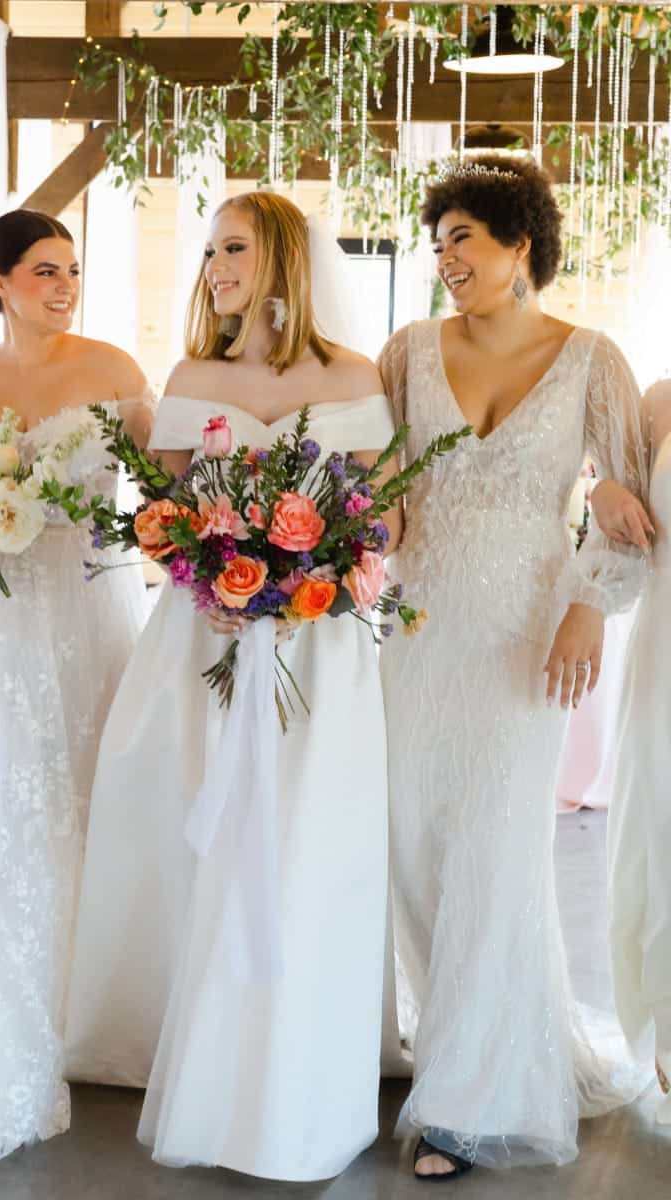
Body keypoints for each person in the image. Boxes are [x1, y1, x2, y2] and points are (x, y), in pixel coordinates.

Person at [66, 191, 401, 1180]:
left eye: (231, 248)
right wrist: (205, 580)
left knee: (304, 839)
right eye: (208, 250)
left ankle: (295, 1068)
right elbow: (164, 515)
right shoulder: (191, 372)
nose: (212, 266)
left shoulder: (352, 372)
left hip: (317, 644)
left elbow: (380, 519)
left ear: (284, 260)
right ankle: (191, 1047)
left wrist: (307, 581)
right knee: (187, 828)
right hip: (200, 639)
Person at [377, 155, 650, 1179]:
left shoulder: (591, 359)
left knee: (494, 848)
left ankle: (468, 1100)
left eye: (463, 239)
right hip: (413, 625)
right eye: (436, 239)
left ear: (518, 246)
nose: (444, 258)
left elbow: (627, 510)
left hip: (528, 633)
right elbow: (383, 476)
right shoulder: (405, 350)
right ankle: (450, 1035)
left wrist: (585, 609)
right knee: (412, 842)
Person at [0, 209, 154, 1172]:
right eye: (45, 270)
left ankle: (94, 1018)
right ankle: (6, 1018)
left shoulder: (118, 372)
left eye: (73, 269)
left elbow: (165, 488)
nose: (64, 285)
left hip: (91, 610)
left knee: (92, 803)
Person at [592, 381, 671, 1124]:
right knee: (663, 828)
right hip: (668, 654)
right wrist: (606, 489)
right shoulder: (659, 402)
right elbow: (617, 492)